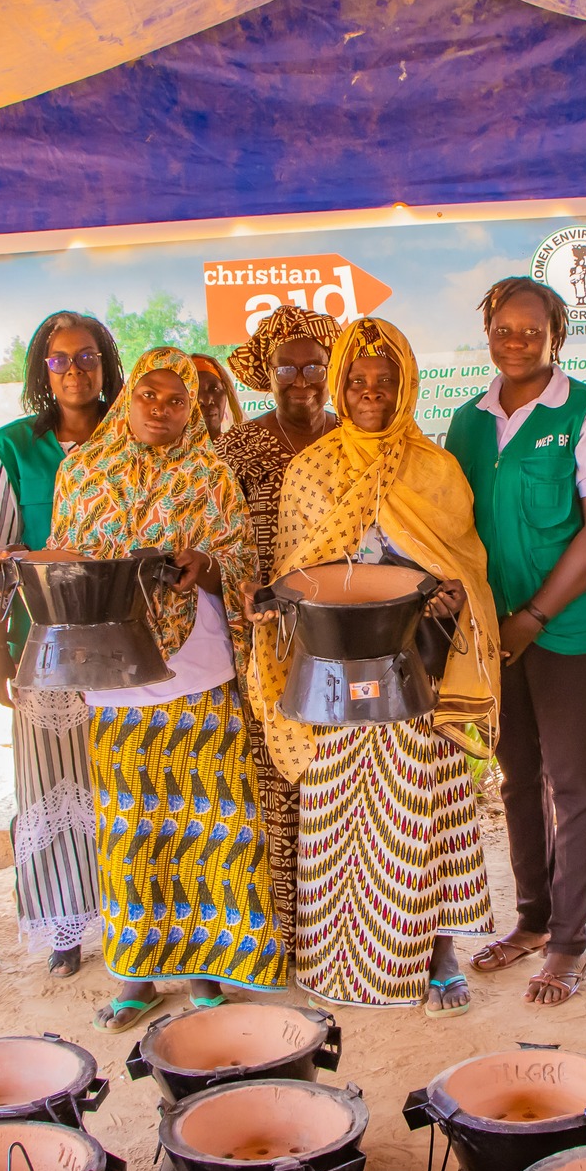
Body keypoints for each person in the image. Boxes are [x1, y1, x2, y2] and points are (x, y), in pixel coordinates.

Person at [247, 317, 500, 1016]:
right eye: (356, 380)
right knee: (336, 818)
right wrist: (273, 604)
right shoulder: (311, 468)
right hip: (332, 673)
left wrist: (452, 595)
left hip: (414, 668)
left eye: (384, 381)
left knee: (425, 812)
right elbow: (296, 567)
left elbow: (466, 568)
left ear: (406, 385)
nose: (369, 392)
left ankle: (440, 955)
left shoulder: (436, 469)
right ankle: (337, 961)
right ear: (340, 385)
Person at [48, 346, 287, 1030]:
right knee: (133, 830)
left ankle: (207, 970)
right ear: (128, 399)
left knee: (207, 826)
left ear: (192, 409)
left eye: (176, 399)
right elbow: (65, 558)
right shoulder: (80, 471)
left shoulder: (210, 473)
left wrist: (203, 564)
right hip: (114, 673)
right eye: (148, 395)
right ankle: (137, 976)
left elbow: (243, 565)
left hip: (198, 672)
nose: (161, 409)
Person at [447, 277, 586, 1006]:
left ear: (559, 334)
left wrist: (535, 617)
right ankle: (531, 920)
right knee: (517, 774)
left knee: (573, 782)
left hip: (568, 630)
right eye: (504, 329)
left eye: (532, 330)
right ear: (488, 333)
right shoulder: (467, 421)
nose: (517, 342)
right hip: (493, 633)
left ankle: (569, 943)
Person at [0, 311, 127, 975]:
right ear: (42, 371)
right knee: (53, 784)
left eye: (86, 356)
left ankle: (131, 921)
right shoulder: (15, 448)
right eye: (59, 360)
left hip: (123, 644)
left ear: (105, 363)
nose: (74, 371)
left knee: (122, 782)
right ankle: (67, 924)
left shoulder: (131, 433)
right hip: (43, 646)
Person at [214, 306, 342, 950]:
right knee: (274, 776)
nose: (301, 380)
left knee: (337, 775)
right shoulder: (235, 449)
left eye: (313, 367)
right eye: (285, 368)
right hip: (262, 635)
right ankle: (289, 934)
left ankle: (341, 925)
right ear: (265, 375)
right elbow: (214, 537)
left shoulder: (353, 439)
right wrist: (243, 589)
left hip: (343, 639)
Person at [191, 352, 245, 440]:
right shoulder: (169, 449)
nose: (206, 401)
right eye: (194, 391)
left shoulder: (244, 446)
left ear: (226, 392)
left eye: (214, 389)